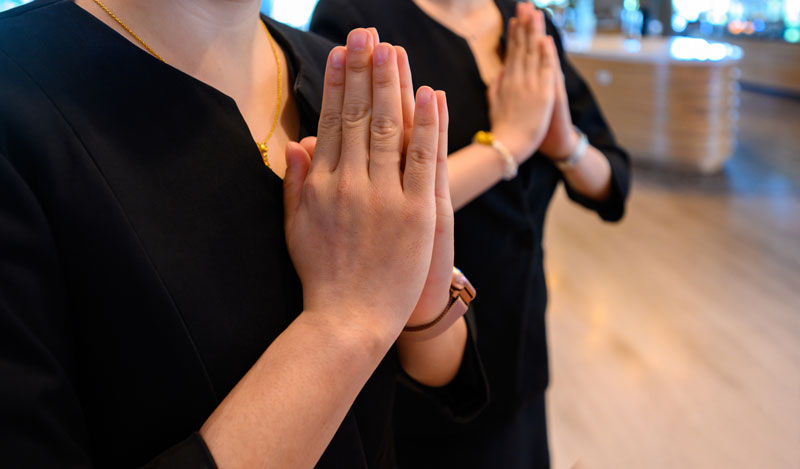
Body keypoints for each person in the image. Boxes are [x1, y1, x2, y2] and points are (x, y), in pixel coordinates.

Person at [0, 0, 490, 466]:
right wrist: (347, 322)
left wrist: (420, 302)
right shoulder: (18, 102)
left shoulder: (338, 71)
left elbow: (438, 389)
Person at [311, 1, 631, 467]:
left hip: (522, 345)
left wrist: (564, 143)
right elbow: (364, 210)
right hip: (422, 368)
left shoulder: (528, 25)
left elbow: (611, 183)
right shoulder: (357, 17)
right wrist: (509, 144)